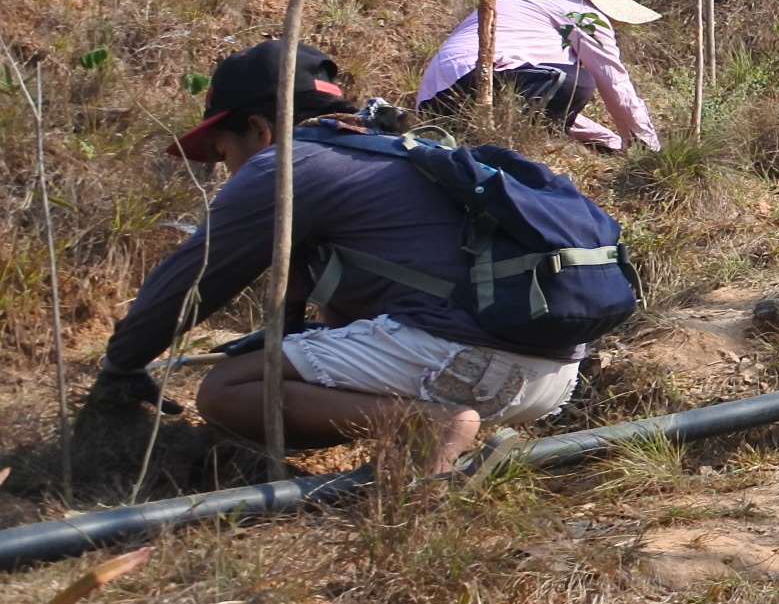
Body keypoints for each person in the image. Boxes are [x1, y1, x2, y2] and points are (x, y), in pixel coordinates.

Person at [78, 41, 585, 475]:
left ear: (259, 130)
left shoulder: (287, 164)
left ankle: (428, 428)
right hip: (551, 376)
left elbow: (194, 278)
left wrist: (122, 364)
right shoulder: (385, 149)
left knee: (228, 390)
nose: (226, 170)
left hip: (472, 364)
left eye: (223, 151)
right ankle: (421, 442)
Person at [416, 0, 662, 152]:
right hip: (478, 85)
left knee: (567, 81)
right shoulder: (581, 12)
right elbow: (614, 81)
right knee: (579, 81)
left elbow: (541, 92)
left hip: (435, 105)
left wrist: (607, 139)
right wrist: (646, 146)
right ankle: (523, 148)